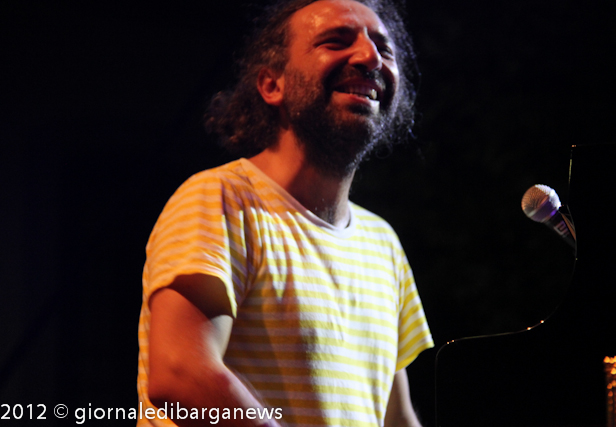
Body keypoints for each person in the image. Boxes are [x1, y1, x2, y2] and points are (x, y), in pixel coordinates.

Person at [136, 0, 434, 425]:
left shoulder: (382, 242)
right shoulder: (220, 199)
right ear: (272, 84)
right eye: (336, 41)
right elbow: (181, 375)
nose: (370, 57)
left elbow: (396, 418)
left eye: (383, 49)